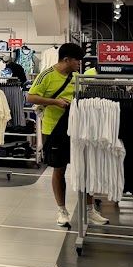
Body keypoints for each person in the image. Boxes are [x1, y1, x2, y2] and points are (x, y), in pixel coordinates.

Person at [27, 43, 107, 227]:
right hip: (53, 130)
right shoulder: (46, 75)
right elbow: (30, 97)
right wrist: (55, 102)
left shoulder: (77, 77)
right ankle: (62, 210)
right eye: (77, 60)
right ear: (66, 59)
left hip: (78, 129)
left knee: (86, 168)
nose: (79, 63)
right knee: (59, 169)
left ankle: (90, 210)